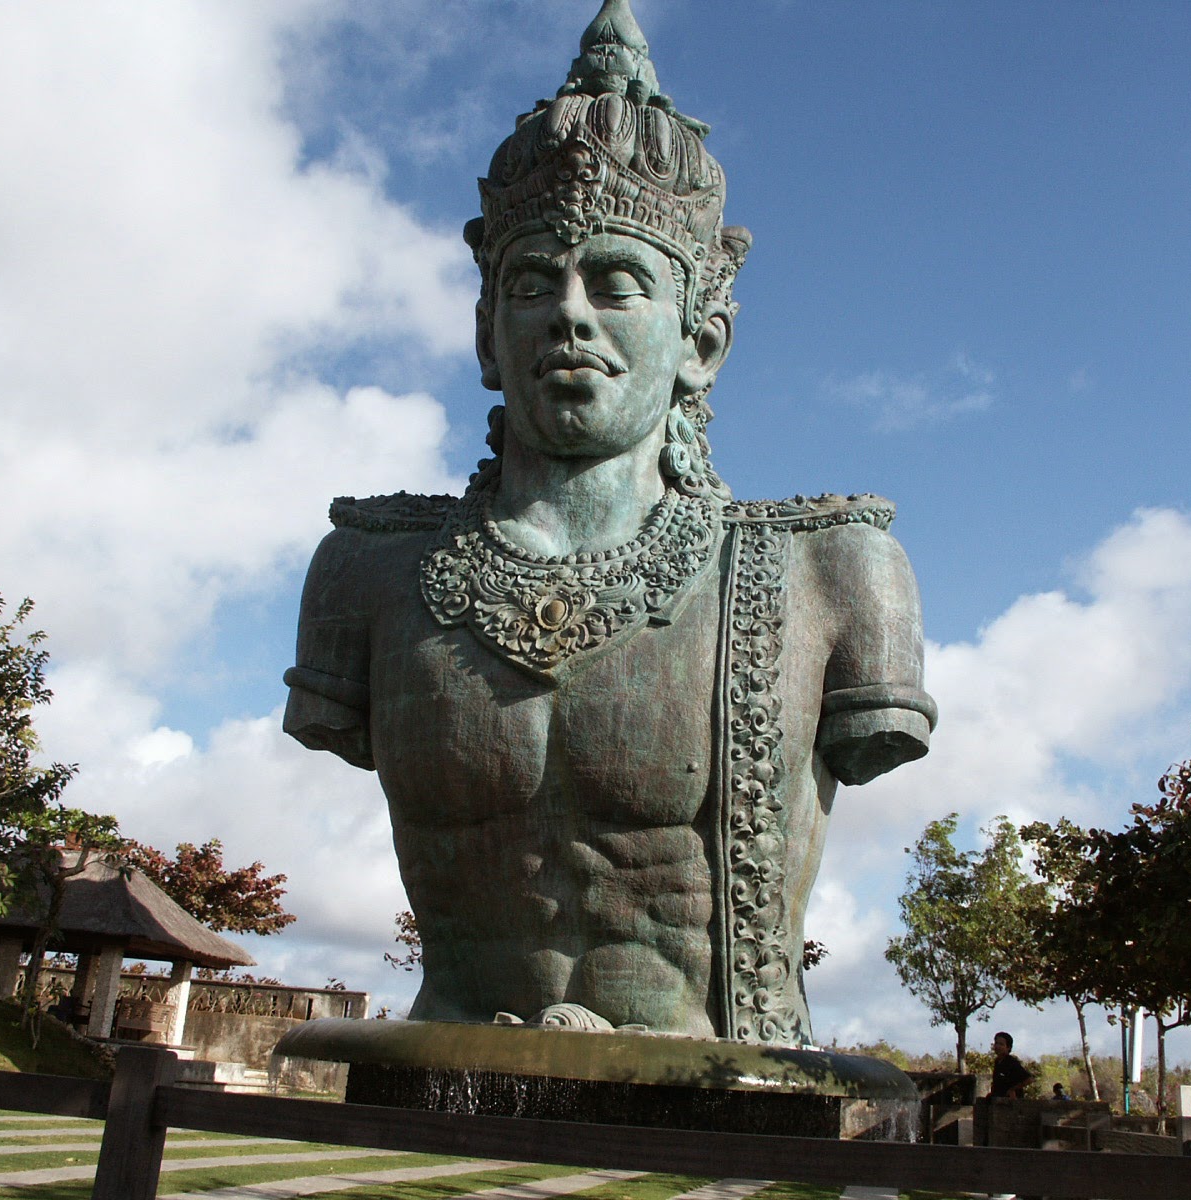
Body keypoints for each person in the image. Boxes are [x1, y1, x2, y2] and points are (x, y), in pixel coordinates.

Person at [283, 0, 935, 1047]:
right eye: (532, 283)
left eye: (617, 284)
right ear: (489, 336)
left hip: (716, 1085)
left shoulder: (833, 571)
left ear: (702, 342)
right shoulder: (368, 570)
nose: (570, 313)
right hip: (441, 1062)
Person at [989, 1031, 1032, 1099]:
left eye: (1001, 1044)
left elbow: (1029, 1079)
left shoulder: (1011, 1062)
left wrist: (1012, 1090)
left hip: (1011, 1103)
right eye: (996, 1043)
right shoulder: (997, 1062)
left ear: (1008, 1048)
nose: (997, 1046)